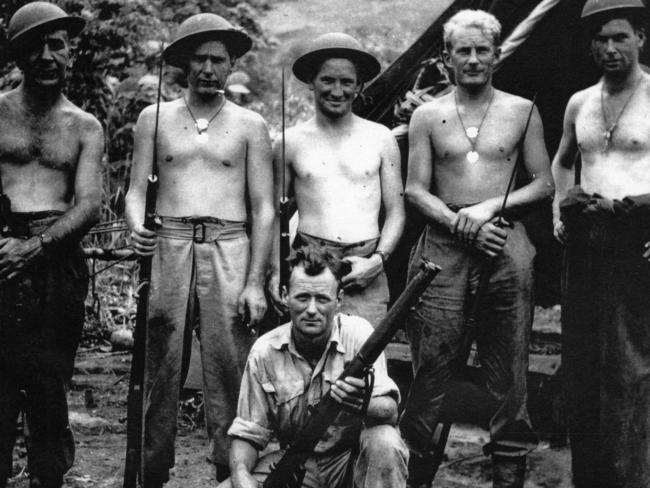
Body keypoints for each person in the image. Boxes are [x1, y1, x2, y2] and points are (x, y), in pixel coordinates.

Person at [399, 9, 553, 488]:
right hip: (441, 251)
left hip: (505, 242)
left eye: (481, 49)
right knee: (430, 370)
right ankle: (414, 474)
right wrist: (460, 223)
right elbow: (415, 190)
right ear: (445, 58)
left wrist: (488, 209)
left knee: (509, 376)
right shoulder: (427, 115)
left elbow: (543, 184)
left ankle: (509, 473)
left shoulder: (522, 111)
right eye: (461, 51)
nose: (472, 59)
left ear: (496, 54)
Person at [125, 13, 274, 486]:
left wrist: (254, 281)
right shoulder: (155, 117)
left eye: (218, 60)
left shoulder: (251, 125)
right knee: (159, 364)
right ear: (184, 65)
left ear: (232, 66)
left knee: (230, 365)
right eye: (199, 59)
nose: (208, 68)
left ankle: (230, 472)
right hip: (168, 243)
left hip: (229, 244)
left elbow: (264, 207)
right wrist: (135, 225)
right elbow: (133, 192)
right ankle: (151, 471)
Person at [0, 2, 103, 487]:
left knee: (48, 387)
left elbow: (88, 205)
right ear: (17, 54)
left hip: (56, 265)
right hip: (0, 255)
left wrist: (36, 247)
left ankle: (48, 479)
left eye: (56, 45)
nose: (46, 55)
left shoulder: (84, 126)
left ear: (70, 53)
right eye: (34, 46)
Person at [551, 1, 650, 486]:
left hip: (638, 239)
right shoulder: (579, 102)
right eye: (601, 40)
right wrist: (558, 212)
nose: (610, 49)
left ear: (641, 37)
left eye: (620, 37)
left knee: (631, 369)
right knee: (583, 368)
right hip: (586, 242)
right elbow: (563, 160)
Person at [221, 245, 408, 488]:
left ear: (339, 300)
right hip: (298, 463)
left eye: (322, 299)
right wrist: (241, 475)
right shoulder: (264, 352)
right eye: (302, 297)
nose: (311, 309)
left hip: (350, 463)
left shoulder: (360, 337)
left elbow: (390, 411)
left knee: (384, 440)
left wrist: (363, 403)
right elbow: (248, 433)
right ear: (286, 295)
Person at [268, 32, 405, 328]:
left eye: (347, 82)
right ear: (311, 82)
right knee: (304, 360)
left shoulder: (380, 138)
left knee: (362, 361)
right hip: (308, 265)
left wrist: (378, 261)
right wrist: (275, 272)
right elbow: (271, 215)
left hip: (365, 266)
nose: (337, 91)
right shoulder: (289, 142)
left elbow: (396, 212)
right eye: (327, 80)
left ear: (359, 86)